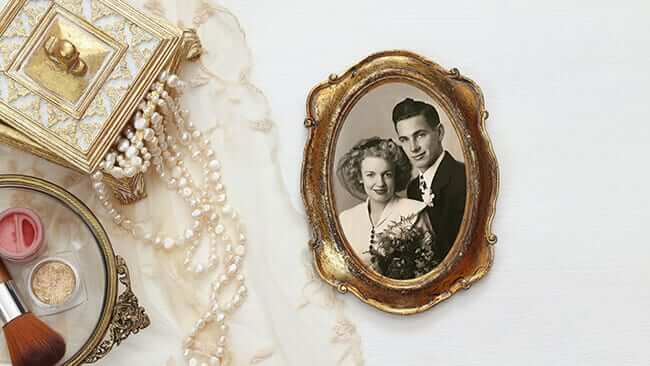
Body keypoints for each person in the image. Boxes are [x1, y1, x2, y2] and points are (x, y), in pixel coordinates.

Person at [336, 137, 433, 265]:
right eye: (370, 175)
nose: (380, 183)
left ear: (396, 176)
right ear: (360, 177)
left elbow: (429, 264)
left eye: (387, 174)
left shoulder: (415, 212)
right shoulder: (346, 219)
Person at [393, 98, 467, 263]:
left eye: (420, 135)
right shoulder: (413, 188)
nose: (413, 148)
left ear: (439, 133)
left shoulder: (464, 178)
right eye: (404, 139)